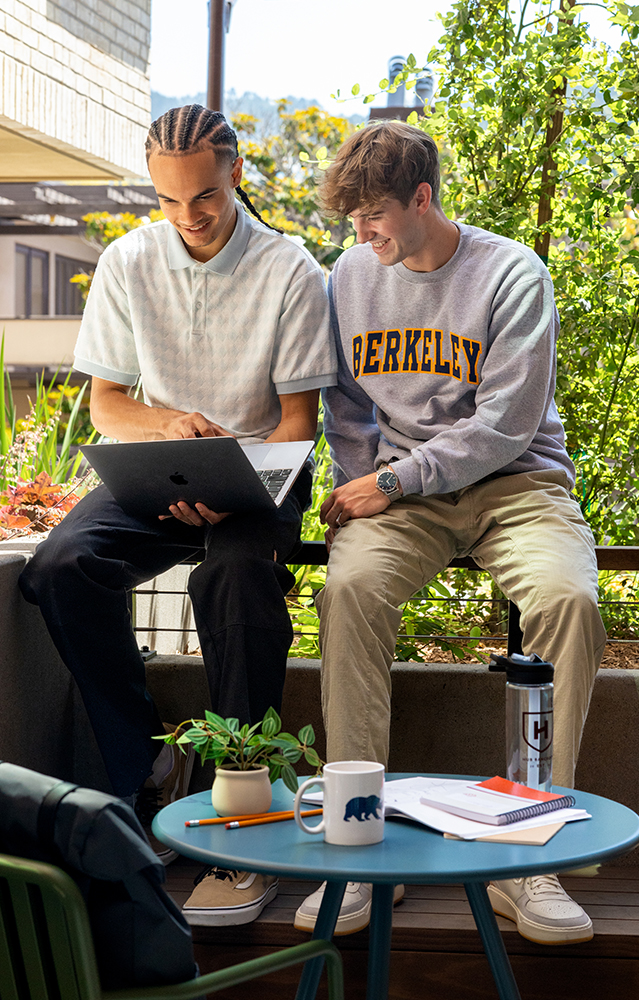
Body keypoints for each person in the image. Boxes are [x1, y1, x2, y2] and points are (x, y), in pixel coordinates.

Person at [19, 104, 336, 926]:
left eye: (202, 195)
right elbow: (110, 406)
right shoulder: (129, 262)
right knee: (60, 566)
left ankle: (244, 805)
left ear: (234, 172)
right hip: (159, 467)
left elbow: (299, 424)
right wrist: (167, 433)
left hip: (263, 475)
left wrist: (231, 480)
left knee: (233, 575)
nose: (187, 215)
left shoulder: (292, 270)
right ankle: (149, 762)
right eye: (167, 200)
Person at [293, 120, 606, 944]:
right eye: (352, 223)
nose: (359, 236)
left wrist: (394, 477)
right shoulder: (350, 276)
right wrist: (363, 481)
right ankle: (358, 844)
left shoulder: (511, 273)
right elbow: (349, 406)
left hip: (516, 482)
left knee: (570, 601)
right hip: (404, 494)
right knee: (350, 591)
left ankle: (528, 858)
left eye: (373, 219)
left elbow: (506, 425)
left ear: (422, 197)